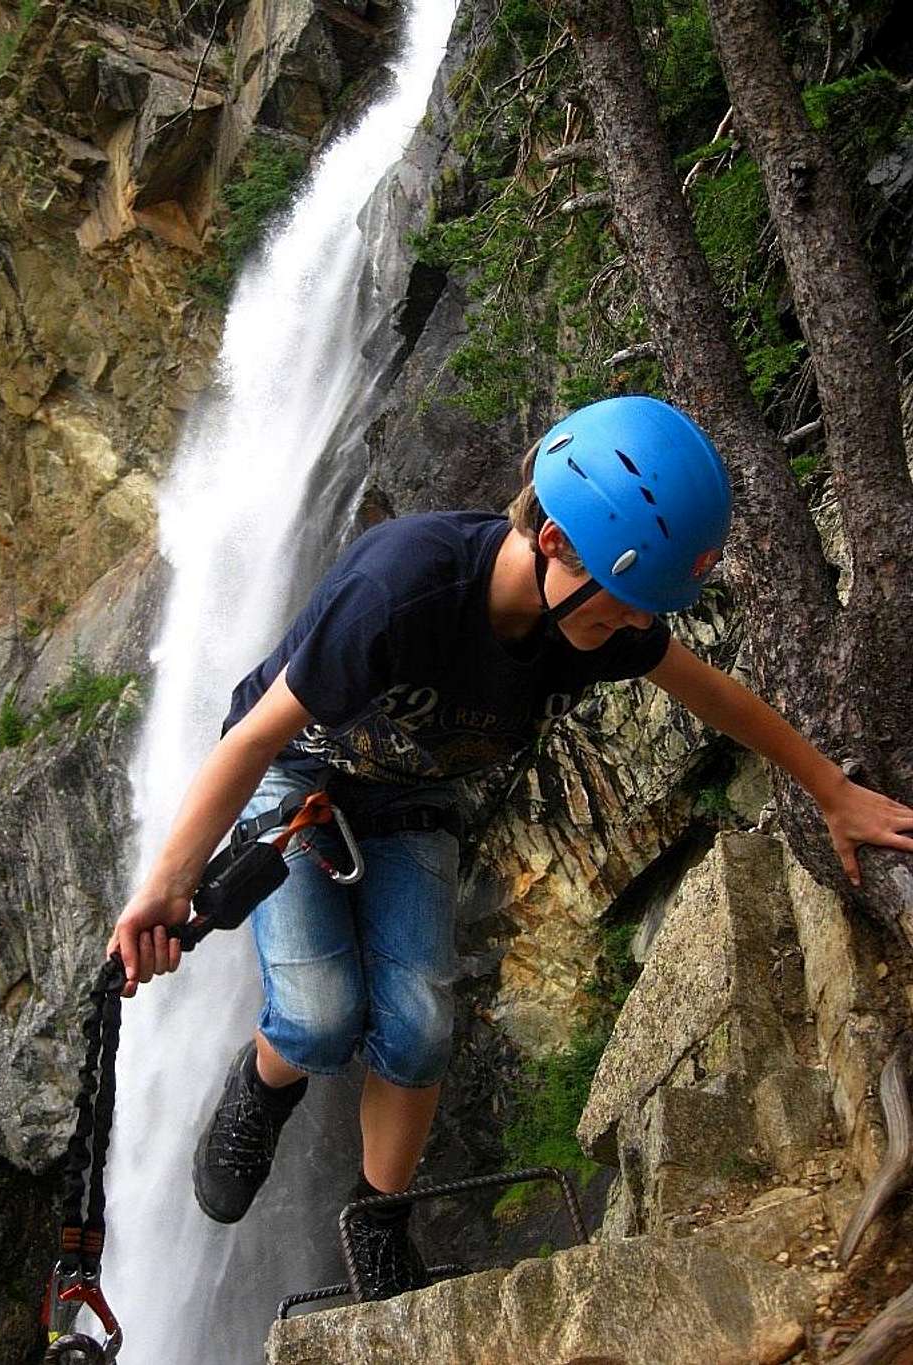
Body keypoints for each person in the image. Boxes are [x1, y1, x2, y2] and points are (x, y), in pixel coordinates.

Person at [109, 395, 913, 1300]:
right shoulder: (402, 590)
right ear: (558, 543)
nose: (632, 631)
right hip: (299, 775)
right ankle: (262, 1085)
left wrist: (833, 791)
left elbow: (717, 695)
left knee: (418, 1025)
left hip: (414, 793)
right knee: (322, 1015)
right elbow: (253, 738)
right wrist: (168, 884)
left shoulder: (598, 623)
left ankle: (378, 1224)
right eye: (623, 609)